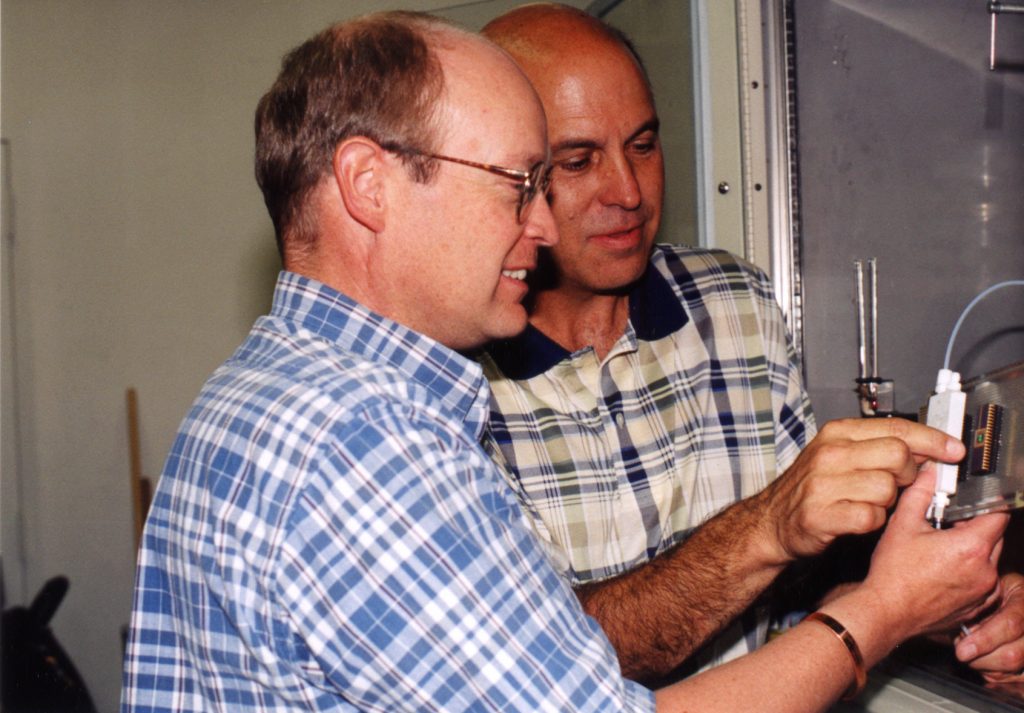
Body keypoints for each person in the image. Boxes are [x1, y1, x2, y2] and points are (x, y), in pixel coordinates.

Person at [121, 10, 1008, 712]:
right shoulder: (363, 443)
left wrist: (941, 600)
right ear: (368, 183)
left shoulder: (266, 390)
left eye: (643, 145)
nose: (542, 223)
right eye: (524, 181)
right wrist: (876, 615)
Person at [479, 2, 1024, 685]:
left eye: (644, 145)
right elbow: (540, 664)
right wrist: (766, 526)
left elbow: (807, 595)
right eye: (579, 160)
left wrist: (950, 603)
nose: (627, 191)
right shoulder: (455, 374)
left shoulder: (733, 303)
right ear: (508, 175)